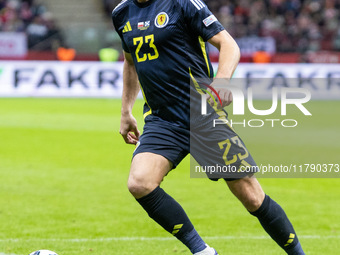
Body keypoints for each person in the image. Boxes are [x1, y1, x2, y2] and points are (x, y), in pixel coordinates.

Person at [112, 0, 305, 254]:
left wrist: (222, 82)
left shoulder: (181, 3)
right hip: (162, 120)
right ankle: (202, 251)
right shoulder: (121, 13)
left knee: (252, 197)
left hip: (202, 114)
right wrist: (126, 111)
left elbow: (228, 44)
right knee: (140, 182)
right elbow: (131, 62)